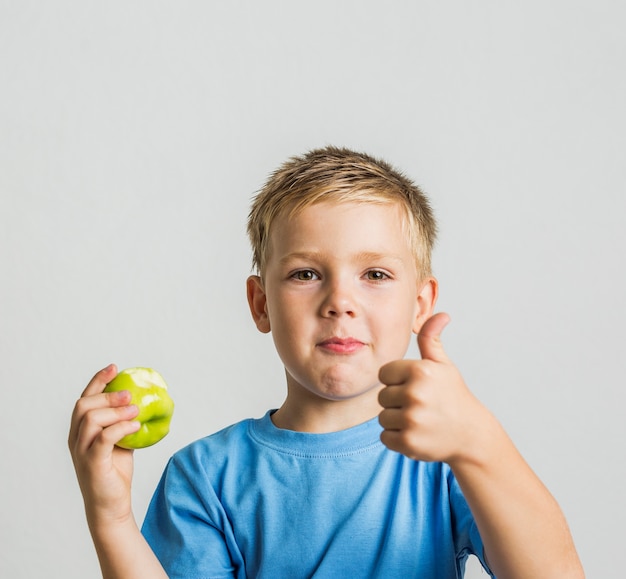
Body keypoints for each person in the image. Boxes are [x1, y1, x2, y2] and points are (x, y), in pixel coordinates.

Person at [69, 146, 584, 578]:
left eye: (376, 275)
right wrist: (112, 519)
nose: (340, 301)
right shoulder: (206, 475)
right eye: (306, 274)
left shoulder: (447, 459)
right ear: (260, 303)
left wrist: (479, 442)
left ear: (420, 304)